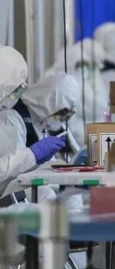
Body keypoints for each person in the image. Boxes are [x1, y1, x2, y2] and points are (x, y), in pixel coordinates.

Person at [0, 47, 66, 196]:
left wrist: (34, 161)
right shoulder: (10, 118)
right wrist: (31, 155)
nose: (14, 98)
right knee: (45, 195)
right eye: (12, 91)